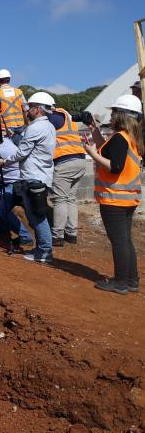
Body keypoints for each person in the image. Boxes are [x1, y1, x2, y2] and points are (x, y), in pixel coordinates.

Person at [83, 94, 142, 294]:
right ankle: (132, 281)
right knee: (125, 240)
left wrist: (92, 154)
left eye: (115, 111)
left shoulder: (119, 138)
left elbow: (115, 166)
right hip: (127, 198)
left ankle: (121, 282)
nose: (112, 115)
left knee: (119, 241)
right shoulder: (129, 137)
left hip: (114, 198)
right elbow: (107, 151)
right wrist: (94, 129)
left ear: (122, 115)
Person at [0, 92, 56, 263]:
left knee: (37, 217)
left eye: (30, 107)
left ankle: (44, 251)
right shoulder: (49, 126)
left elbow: (22, 152)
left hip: (33, 177)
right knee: (37, 215)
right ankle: (43, 249)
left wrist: (5, 161)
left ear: (38, 109)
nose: (27, 110)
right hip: (41, 176)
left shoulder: (35, 128)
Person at [48, 102, 87, 246]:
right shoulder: (66, 116)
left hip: (65, 161)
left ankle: (57, 236)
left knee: (60, 199)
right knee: (70, 198)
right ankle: (71, 233)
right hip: (80, 160)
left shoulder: (53, 117)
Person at [0, 69, 28, 143]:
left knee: (9, 148)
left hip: (6, 128)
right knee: (21, 147)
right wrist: (27, 124)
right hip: (21, 126)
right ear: (9, 80)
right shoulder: (18, 92)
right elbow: (26, 109)